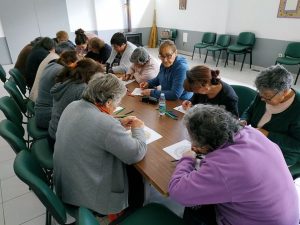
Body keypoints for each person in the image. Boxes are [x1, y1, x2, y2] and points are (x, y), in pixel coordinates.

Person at [169, 104, 299, 225]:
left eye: (194, 141)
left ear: (205, 144)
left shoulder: (222, 168)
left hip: (259, 221)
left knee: (194, 208)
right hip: (287, 215)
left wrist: (186, 159)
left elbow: (177, 192)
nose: (193, 145)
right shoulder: (252, 133)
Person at [53, 74, 147, 215]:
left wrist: (117, 122)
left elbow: (90, 124)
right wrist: (138, 128)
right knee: (135, 174)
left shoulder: (73, 105)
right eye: (117, 103)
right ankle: (132, 214)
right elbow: (135, 154)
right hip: (86, 196)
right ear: (108, 103)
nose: (116, 107)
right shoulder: (105, 124)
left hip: (67, 185)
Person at [241, 64, 300, 166]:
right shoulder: (264, 94)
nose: (262, 99)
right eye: (260, 95)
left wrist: (268, 135)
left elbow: (297, 145)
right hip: (257, 143)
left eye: (267, 98)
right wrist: (244, 120)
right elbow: (249, 111)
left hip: (282, 153)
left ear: (285, 91)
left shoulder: (297, 109)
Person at [48, 58, 103, 147]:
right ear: (90, 75)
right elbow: (91, 119)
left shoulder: (67, 81)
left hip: (52, 134)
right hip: (61, 142)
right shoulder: (82, 88)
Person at [34, 50, 78, 129]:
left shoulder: (52, 64)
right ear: (72, 63)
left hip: (40, 112)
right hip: (46, 117)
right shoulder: (60, 71)